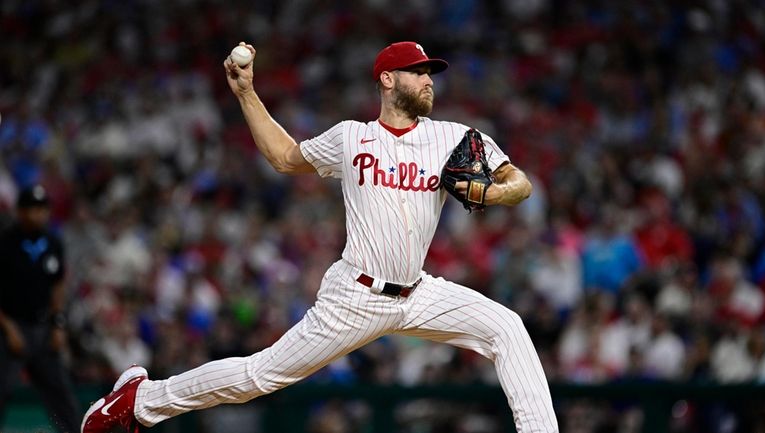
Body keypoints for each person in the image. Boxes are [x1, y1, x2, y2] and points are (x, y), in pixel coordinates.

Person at [81, 41, 559, 433]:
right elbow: (285, 157)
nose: (428, 79)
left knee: (508, 328)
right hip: (356, 296)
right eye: (417, 71)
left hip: (419, 291)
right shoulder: (351, 137)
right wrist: (247, 94)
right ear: (388, 79)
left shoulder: (451, 136)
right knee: (261, 374)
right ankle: (141, 401)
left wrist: (494, 194)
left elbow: (520, 182)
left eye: (430, 72)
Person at [0, 184, 80, 433]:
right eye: (33, 208)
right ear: (21, 211)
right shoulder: (6, 243)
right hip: (11, 327)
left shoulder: (52, 243)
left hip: (43, 327)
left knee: (61, 394)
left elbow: (57, 286)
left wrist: (58, 324)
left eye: (42, 208)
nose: (38, 214)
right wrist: (9, 328)